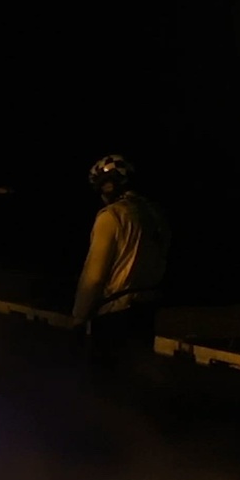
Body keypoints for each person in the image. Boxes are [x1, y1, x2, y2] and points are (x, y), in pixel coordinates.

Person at [71, 154, 171, 371]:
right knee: (137, 379)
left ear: (107, 187)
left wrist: (79, 317)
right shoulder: (156, 214)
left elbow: (94, 276)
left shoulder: (112, 216)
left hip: (115, 313)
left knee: (105, 384)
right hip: (148, 308)